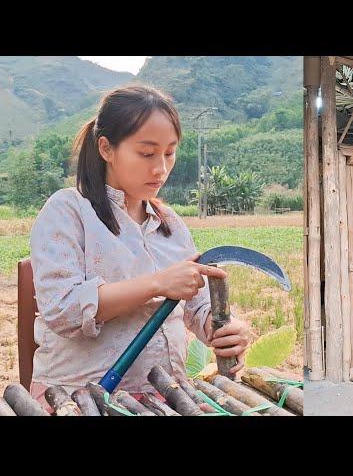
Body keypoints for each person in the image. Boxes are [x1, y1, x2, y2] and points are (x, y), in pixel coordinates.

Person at [29, 85, 250, 410]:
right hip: (79, 398)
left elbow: (198, 308)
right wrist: (157, 283)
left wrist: (225, 331)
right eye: (147, 153)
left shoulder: (170, 223)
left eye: (170, 153)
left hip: (166, 396)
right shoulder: (68, 210)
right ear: (106, 148)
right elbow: (63, 309)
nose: (160, 168)